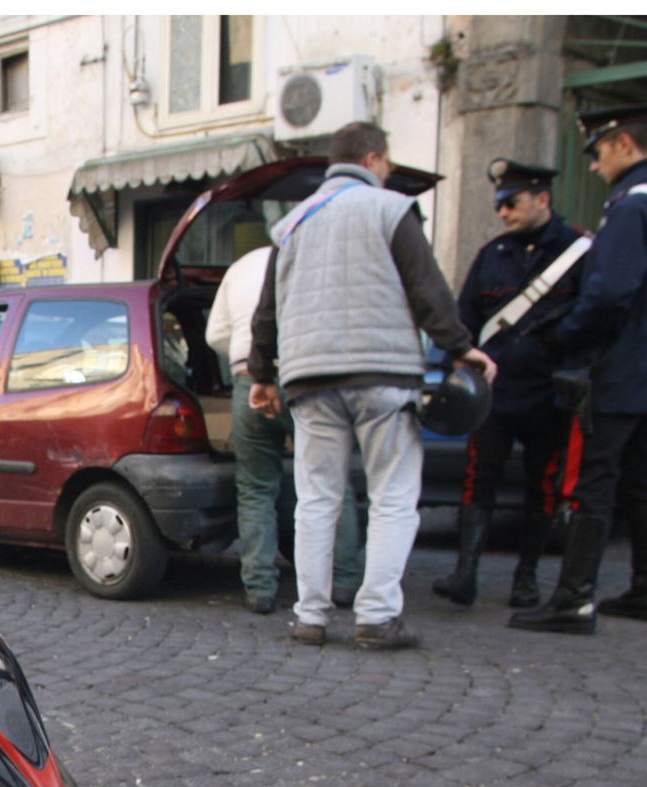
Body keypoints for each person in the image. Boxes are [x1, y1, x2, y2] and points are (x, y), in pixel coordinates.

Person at [248, 121, 496, 650]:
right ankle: (377, 617)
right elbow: (426, 287)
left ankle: (310, 616)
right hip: (382, 373)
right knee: (392, 495)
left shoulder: (292, 224)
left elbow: (267, 310)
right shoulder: (388, 208)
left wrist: (262, 375)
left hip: (310, 377)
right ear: (375, 159)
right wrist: (459, 347)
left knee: (316, 498)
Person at [511, 105, 647, 635]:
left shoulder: (630, 205)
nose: (593, 164)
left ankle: (573, 598)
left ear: (625, 145)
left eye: (598, 151)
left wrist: (569, 339)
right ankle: (642, 588)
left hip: (621, 365)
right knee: (639, 483)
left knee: (595, 482)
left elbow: (611, 291)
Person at [433, 159, 589, 608]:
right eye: (500, 204)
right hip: (496, 393)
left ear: (543, 199)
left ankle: (526, 578)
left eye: (512, 202)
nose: (503, 212)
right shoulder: (492, 256)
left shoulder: (577, 252)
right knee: (478, 479)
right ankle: (466, 573)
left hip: (549, 393)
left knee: (543, 485)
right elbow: (465, 320)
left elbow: (592, 321)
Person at [206, 244, 365, 614]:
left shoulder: (239, 265)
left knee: (256, 487)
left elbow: (215, 335)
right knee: (332, 481)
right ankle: (341, 581)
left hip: (249, 381)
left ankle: (259, 588)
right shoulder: (316, 256)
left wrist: (244, 353)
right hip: (304, 379)